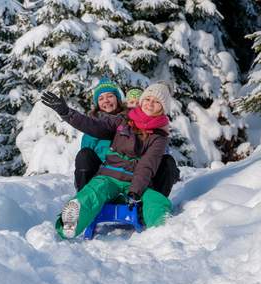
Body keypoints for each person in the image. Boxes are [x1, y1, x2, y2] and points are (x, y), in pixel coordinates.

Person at [42, 83, 174, 239]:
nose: (150, 104)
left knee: (156, 200)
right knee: (92, 193)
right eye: (148, 99)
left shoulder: (159, 136)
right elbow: (95, 125)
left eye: (156, 102)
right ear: (142, 100)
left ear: (162, 108)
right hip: (110, 175)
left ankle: (162, 231)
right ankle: (68, 225)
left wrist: (135, 191)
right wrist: (67, 113)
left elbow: (148, 164)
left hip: (135, 180)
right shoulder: (124, 120)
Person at [74, 80, 180, 197]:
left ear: (118, 99)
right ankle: (84, 199)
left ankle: (153, 201)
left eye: (110, 96)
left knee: (167, 162)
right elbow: (84, 162)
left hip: (133, 172)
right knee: (84, 155)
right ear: (97, 103)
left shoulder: (130, 119)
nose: (106, 101)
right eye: (101, 98)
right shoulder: (92, 125)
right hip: (102, 173)